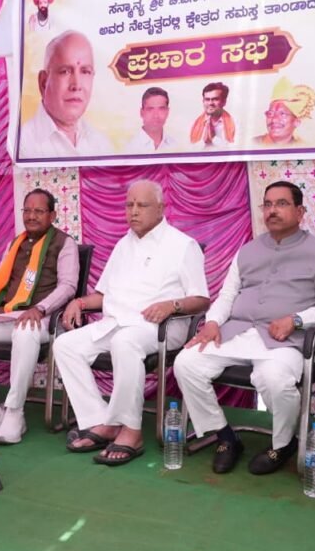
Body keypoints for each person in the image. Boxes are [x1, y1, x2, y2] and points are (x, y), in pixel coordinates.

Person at [174, 181, 315, 474]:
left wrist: (296, 320)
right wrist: (212, 322)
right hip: (237, 333)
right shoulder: (247, 251)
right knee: (186, 363)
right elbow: (227, 296)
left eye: (282, 203)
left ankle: (283, 443)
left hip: (286, 340)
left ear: (300, 211)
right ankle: (225, 436)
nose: (272, 210)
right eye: (268, 204)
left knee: (273, 377)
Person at [55, 180, 209, 465]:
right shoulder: (123, 244)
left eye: (142, 205)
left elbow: (201, 300)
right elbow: (104, 296)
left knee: (124, 342)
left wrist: (172, 305)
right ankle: (102, 420)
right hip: (118, 322)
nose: (134, 211)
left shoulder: (183, 245)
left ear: (160, 208)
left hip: (162, 327)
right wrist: (79, 302)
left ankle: (131, 431)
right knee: (65, 345)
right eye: (129, 205)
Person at [0, 189, 79, 445]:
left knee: (25, 329)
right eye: (27, 210)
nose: (31, 216)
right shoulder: (15, 244)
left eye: (38, 211)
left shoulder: (65, 244)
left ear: (52, 215)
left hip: (44, 320)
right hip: (8, 315)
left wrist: (40, 308)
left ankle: (14, 412)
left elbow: (68, 286)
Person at [20, 31, 112, 157]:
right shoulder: (22, 145)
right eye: (65, 71)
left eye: (85, 71)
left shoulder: (101, 144)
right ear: (43, 82)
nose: (77, 85)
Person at [253, 77, 315, 147]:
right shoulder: (253, 144)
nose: (274, 119)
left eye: (282, 114)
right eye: (270, 113)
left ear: (296, 122)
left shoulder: (304, 147)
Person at [125, 87, 176, 153]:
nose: (156, 116)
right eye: (150, 109)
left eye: (161, 109)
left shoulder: (175, 146)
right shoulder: (130, 148)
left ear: (167, 112)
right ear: (141, 112)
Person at [189, 82, 235, 148]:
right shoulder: (194, 124)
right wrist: (204, 142)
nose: (210, 103)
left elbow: (235, 149)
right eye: (207, 99)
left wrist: (214, 138)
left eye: (215, 99)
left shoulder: (235, 123)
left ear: (224, 102)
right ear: (203, 101)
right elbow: (189, 148)